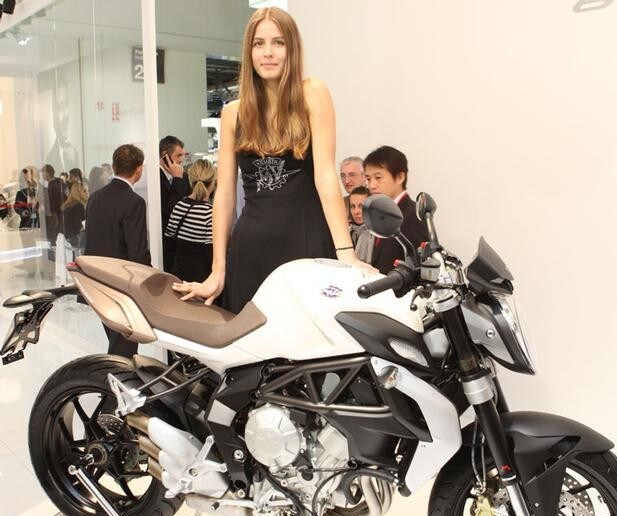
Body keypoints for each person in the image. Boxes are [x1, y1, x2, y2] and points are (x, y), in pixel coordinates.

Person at [173, 6, 364, 317]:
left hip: (307, 247)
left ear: (292, 48)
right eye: (258, 44)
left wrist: (346, 253)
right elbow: (225, 195)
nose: (268, 52)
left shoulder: (312, 93)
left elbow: (326, 175)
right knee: (251, 343)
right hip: (250, 252)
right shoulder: (233, 113)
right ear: (249, 52)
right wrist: (217, 269)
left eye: (278, 42)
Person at [85, 144, 150, 358]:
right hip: (122, 286)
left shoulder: (95, 198)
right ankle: (113, 379)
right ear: (139, 170)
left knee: (117, 342)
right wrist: (149, 282)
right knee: (123, 349)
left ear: (113, 167)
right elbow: (137, 252)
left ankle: (113, 377)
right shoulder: (134, 202)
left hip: (96, 281)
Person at [363, 145, 428, 274]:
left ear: (400, 177)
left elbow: (420, 266)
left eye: (378, 177)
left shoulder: (414, 215)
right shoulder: (380, 213)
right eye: (368, 179)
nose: (372, 185)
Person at [164, 159, 215, 283]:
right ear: (213, 183)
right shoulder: (210, 213)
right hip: (200, 283)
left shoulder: (179, 206)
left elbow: (169, 244)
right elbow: (211, 256)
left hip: (177, 278)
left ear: (190, 181)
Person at [159, 135, 190, 271]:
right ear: (165, 155)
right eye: (178, 155)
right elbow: (171, 208)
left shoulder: (183, 176)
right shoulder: (156, 177)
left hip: (182, 242)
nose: (181, 160)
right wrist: (177, 178)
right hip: (165, 244)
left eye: (182, 155)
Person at [61, 181, 87, 256]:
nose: (87, 193)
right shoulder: (78, 205)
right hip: (74, 238)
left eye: (88, 190)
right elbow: (77, 226)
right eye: (84, 191)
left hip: (67, 237)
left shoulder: (68, 204)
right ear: (78, 192)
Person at [348, 186, 373, 264]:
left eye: (361, 206)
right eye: (353, 206)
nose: (356, 212)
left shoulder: (377, 235)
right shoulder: (348, 231)